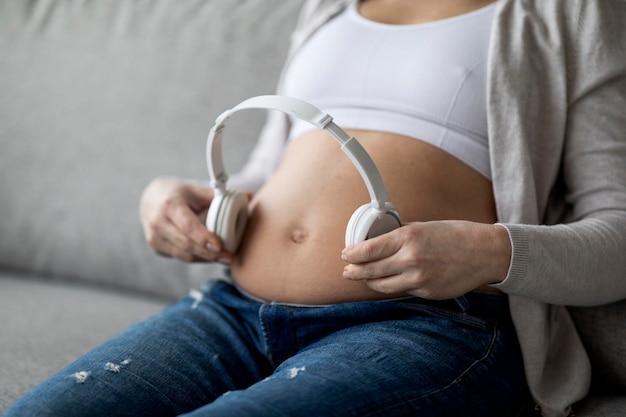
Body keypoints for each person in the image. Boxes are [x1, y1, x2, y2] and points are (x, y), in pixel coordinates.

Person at [5, 0, 626, 416]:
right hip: (232, 310)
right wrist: (182, 197)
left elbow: (618, 234)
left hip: (423, 326)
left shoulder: (569, 15)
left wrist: (490, 251)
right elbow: (265, 172)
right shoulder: (328, 7)